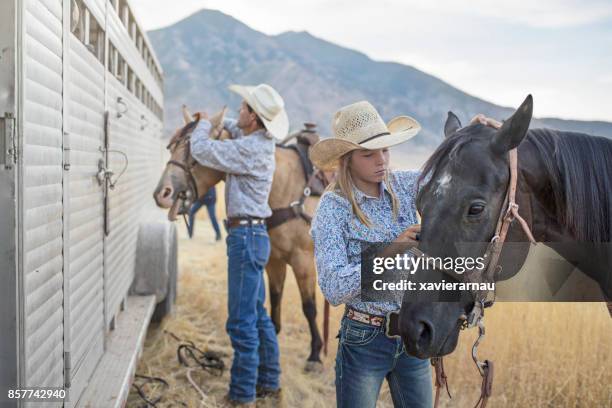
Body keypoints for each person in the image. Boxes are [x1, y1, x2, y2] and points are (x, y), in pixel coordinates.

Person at [309, 101, 433, 408]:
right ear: (347, 160)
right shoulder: (332, 210)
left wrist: (477, 132)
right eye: (368, 154)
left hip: (411, 332)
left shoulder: (404, 185)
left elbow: (455, 179)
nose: (381, 161)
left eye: (385, 151)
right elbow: (334, 288)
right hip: (364, 337)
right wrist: (391, 250)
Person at [189, 83, 289, 407]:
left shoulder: (249, 150)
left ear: (255, 119)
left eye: (244, 108)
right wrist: (222, 120)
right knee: (257, 316)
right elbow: (234, 127)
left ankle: (241, 394)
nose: (239, 111)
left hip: (245, 238)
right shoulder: (257, 141)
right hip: (253, 236)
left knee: (241, 321)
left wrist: (204, 123)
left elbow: (201, 150)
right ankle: (269, 382)